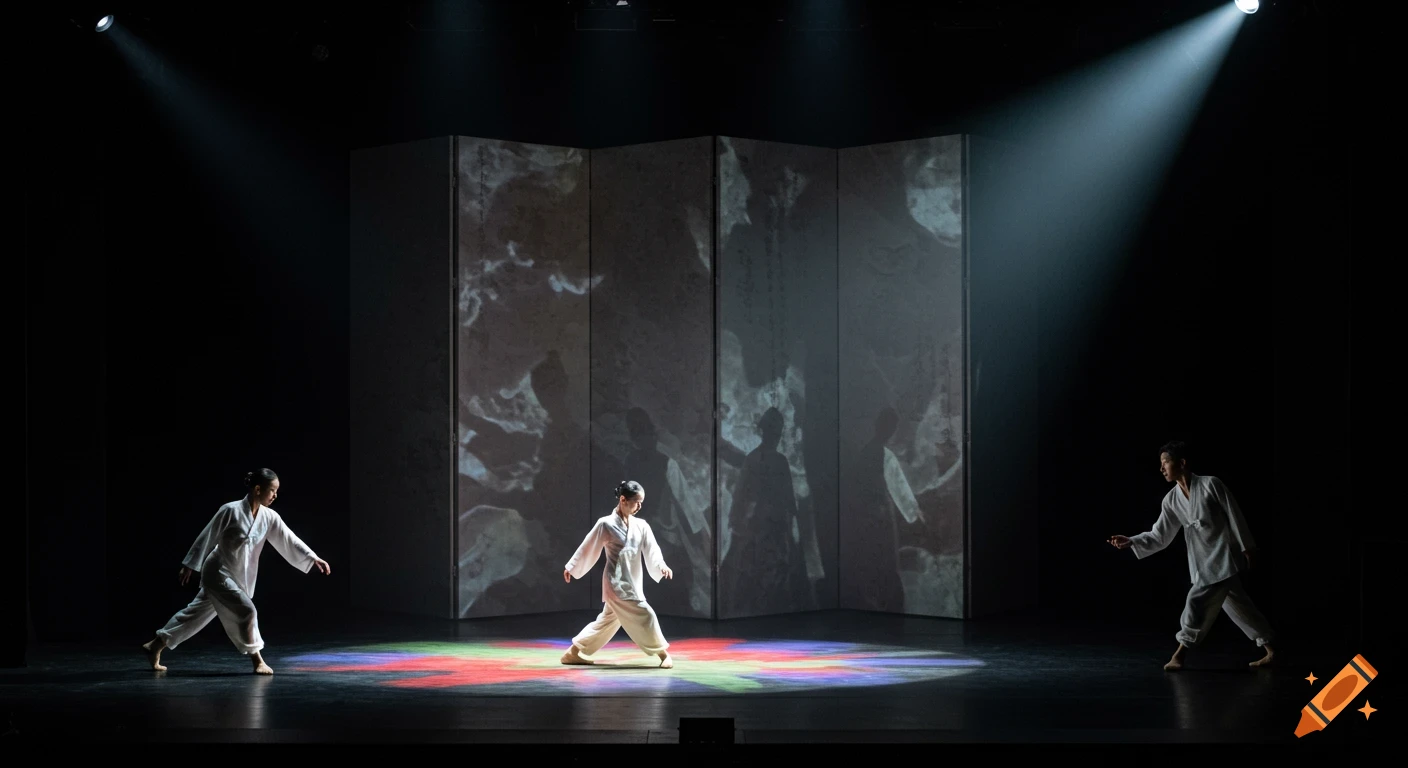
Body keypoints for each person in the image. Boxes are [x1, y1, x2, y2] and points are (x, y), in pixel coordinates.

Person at [141, 469, 331, 674]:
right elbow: (207, 536)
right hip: (218, 571)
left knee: (194, 615)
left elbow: (288, 539)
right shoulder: (230, 510)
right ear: (257, 489)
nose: (275, 495)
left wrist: (312, 557)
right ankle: (257, 660)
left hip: (238, 574)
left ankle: (155, 645)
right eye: (272, 490)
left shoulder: (269, 516)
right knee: (247, 611)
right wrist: (190, 564)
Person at [1108, 442, 1276, 670]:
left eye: (1165, 462)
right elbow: (1160, 535)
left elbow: (1234, 514)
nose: (1161, 468)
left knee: (1196, 602)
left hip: (1224, 556)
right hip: (1202, 560)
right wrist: (1132, 541)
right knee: (1239, 606)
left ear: (1182, 463)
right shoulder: (1171, 500)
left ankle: (1180, 654)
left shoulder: (1210, 484)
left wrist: (1248, 547)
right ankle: (1272, 650)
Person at [560, 480, 675, 668]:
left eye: (641, 502)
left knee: (606, 622)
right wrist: (572, 566)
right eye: (636, 502)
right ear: (623, 499)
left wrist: (661, 565)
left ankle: (572, 653)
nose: (639, 507)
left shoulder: (641, 525)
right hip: (615, 582)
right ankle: (663, 654)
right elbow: (588, 545)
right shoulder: (606, 524)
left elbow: (652, 549)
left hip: (632, 580)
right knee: (645, 614)